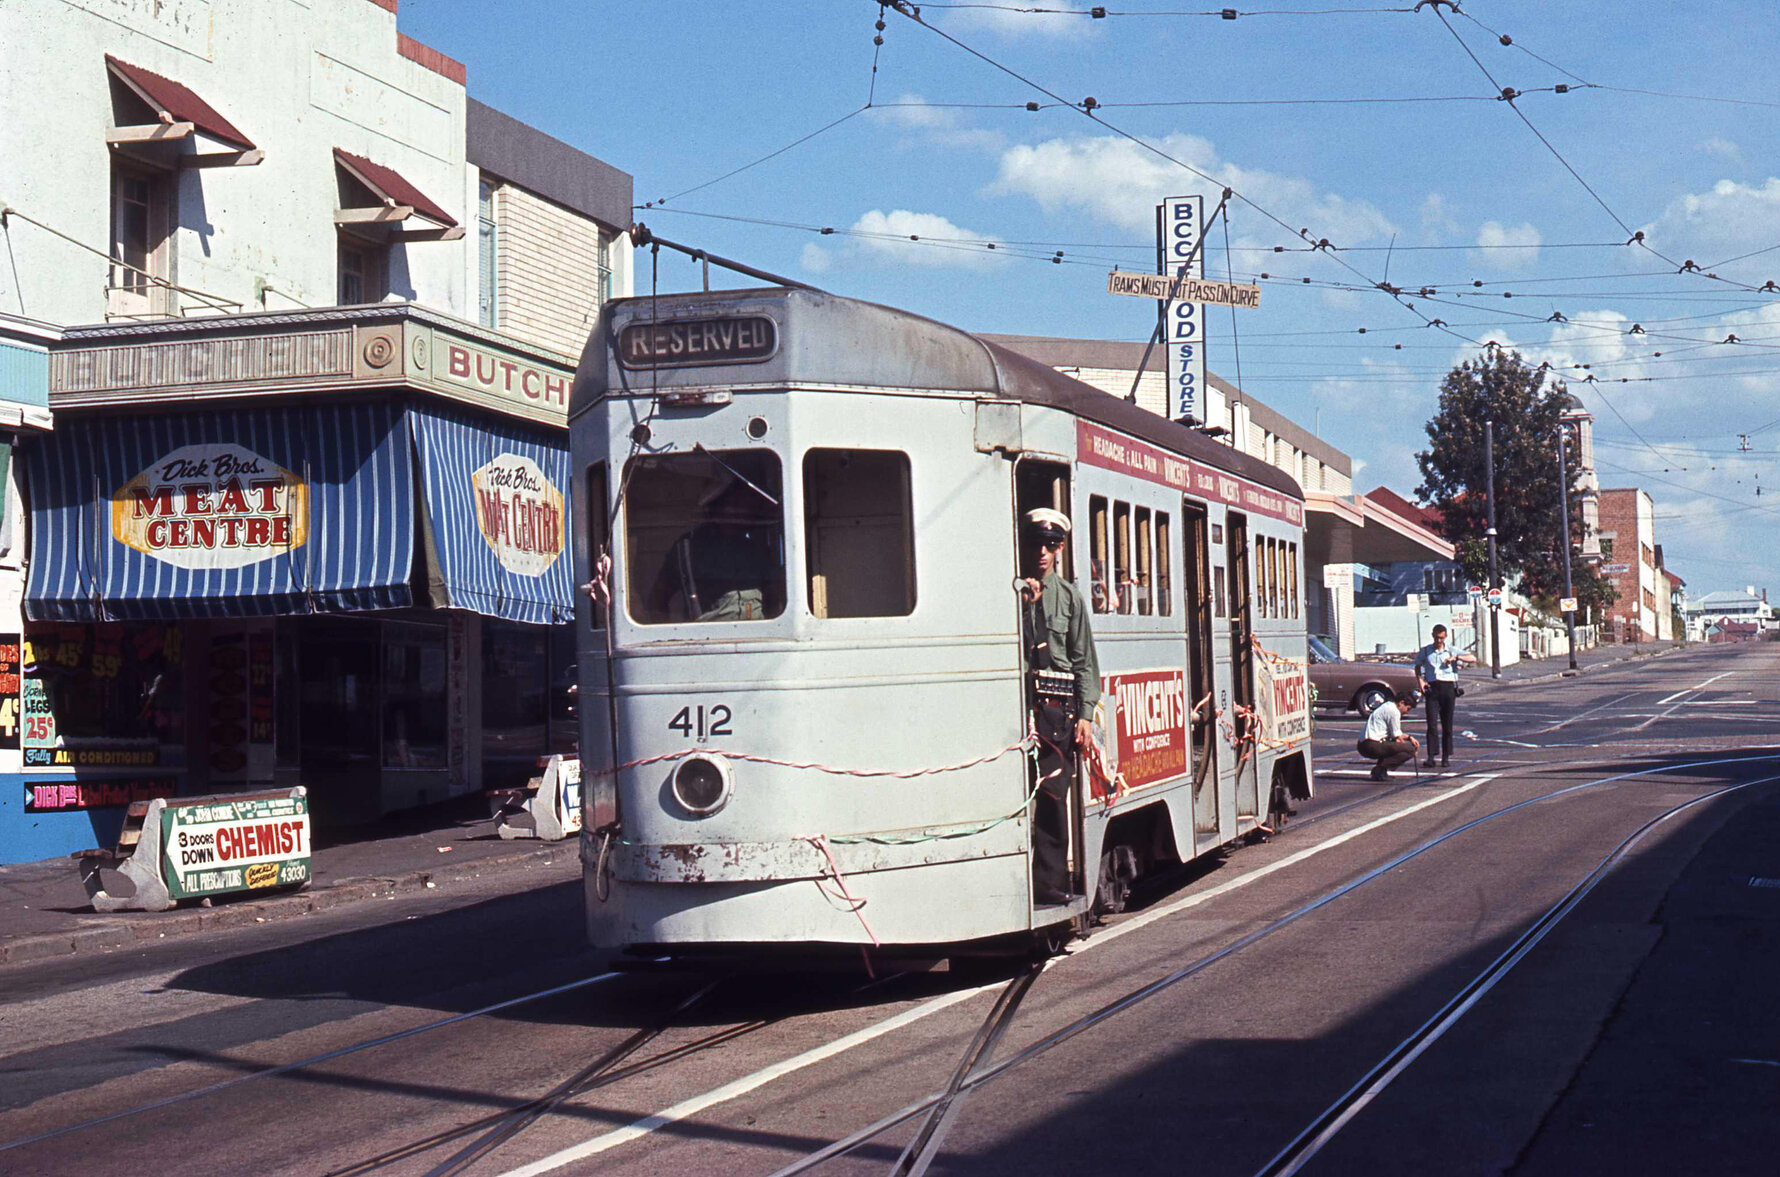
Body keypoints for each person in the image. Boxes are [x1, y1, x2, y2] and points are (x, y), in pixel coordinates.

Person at [1019, 507, 1101, 905]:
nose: (1041, 552)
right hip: (1016, 704)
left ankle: (1048, 882)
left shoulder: (1068, 597)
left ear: (1061, 549)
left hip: (1055, 710)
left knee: (1052, 796)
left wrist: (1085, 714)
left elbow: (1084, 658)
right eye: (1035, 543)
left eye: (1050, 545)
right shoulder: (1008, 590)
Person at [1415, 623, 1476, 768]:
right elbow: (1417, 667)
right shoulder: (1426, 651)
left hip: (1448, 688)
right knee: (1431, 724)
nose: (1439, 641)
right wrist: (1421, 682)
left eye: (1441, 638)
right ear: (1433, 636)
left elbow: (1472, 658)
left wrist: (1455, 658)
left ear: (1445, 637)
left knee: (1447, 724)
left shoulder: (1451, 650)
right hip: (1432, 688)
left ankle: (1446, 756)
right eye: (1436, 638)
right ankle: (1431, 756)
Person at [1357, 689, 1421, 781]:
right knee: (1410, 750)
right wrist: (1410, 750)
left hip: (1364, 744)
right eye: (1408, 708)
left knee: (1391, 744)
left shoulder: (1387, 706)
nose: (1407, 712)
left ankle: (1381, 771)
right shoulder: (1394, 711)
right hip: (1371, 744)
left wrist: (1409, 737)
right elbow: (1397, 738)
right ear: (1401, 703)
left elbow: (1395, 733)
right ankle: (1380, 769)